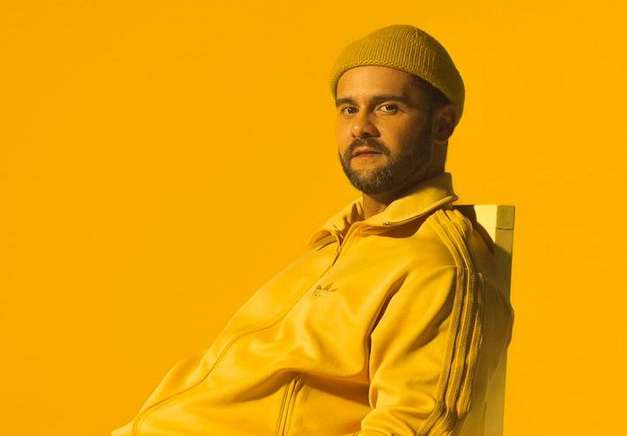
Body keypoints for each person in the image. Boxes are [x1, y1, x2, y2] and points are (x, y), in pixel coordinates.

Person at [113, 24, 514, 436]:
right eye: (348, 109)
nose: (360, 127)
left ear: (442, 124)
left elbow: (409, 426)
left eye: (387, 107)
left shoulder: (439, 265)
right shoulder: (337, 244)